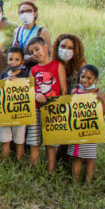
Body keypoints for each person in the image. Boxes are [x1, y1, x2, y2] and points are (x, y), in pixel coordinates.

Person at [27, 36, 67, 172]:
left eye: (37, 49)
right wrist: (35, 95)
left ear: (45, 47)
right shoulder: (33, 70)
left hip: (53, 110)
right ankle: (33, 171)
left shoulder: (57, 66)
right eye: (31, 52)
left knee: (50, 144)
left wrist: (60, 107)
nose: (35, 53)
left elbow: (64, 89)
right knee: (34, 143)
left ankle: (50, 171)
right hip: (36, 110)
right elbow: (30, 90)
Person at [68, 64, 105, 183]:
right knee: (76, 157)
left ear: (96, 79)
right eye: (83, 77)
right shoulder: (75, 92)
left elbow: (102, 114)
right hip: (76, 130)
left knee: (90, 158)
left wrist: (103, 101)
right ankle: (75, 182)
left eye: (89, 78)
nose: (85, 80)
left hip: (91, 130)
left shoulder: (99, 94)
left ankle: (88, 184)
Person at [0, 47, 29, 160]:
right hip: (5, 113)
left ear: (22, 61)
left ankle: (19, 160)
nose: (13, 62)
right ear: (7, 60)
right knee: (5, 139)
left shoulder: (25, 75)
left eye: (17, 59)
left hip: (20, 114)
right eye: (11, 59)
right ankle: (5, 160)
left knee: (19, 140)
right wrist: (4, 82)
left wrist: (19, 82)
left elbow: (29, 91)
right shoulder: (3, 74)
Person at [12, 1, 51, 65]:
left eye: (29, 11)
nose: (25, 14)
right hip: (17, 67)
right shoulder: (16, 31)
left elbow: (48, 54)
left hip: (36, 67)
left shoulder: (42, 32)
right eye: (22, 12)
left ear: (35, 13)